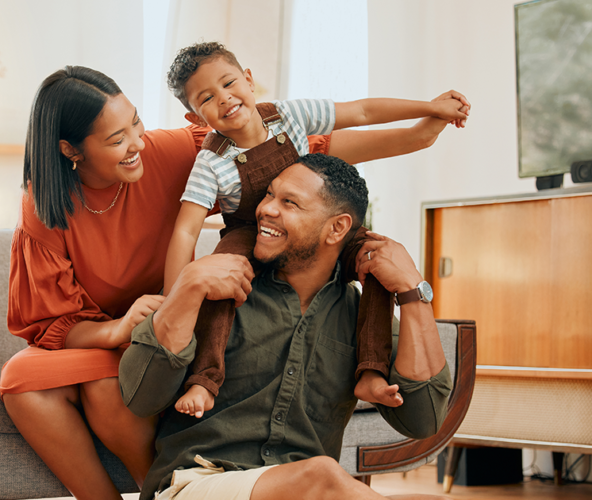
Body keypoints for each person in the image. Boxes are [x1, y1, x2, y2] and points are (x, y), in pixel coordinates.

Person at [0, 65, 460, 500]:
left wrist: (420, 138)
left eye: (136, 123)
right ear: (70, 150)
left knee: (106, 387)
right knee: (29, 377)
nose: (138, 142)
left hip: (173, 335)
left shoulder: (177, 151)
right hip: (135, 330)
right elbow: (61, 326)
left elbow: (292, 150)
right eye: (117, 138)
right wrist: (180, 293)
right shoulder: (48, 207)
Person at [162, 41, 469, 418]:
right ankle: (205, 378)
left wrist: (430, 107)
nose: (224, 99)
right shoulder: (211, 162)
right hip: (250, 230)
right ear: (196, 118)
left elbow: (362, 110)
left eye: (228, 83)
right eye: (207, 98)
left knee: (377, 258)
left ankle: (371, 370)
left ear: (248, 79)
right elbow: (185, 232)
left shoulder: (289, 116)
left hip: (314, 218)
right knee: (219, 279)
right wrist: (173, 297)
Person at [120, 153, 452, 500]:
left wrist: (413, 291)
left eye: (289, 202)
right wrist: (187, 286)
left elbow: (423, 419)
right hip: (196, 483)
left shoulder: (362, 319)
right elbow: (141, 396)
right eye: (269, 195)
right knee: (323, 476)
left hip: (298, 490)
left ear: (337, 228)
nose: (266, 209)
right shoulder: (215, 287)